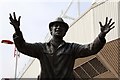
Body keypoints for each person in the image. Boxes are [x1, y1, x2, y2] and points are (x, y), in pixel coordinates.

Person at [9, 12, 115, 80]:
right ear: (51, 30)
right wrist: (17, 31)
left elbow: (91, 48)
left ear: (65, 32)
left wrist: (101, 35)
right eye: (56, 26)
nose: (58, 28)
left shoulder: (72, 48)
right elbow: (22, 47)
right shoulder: (41, 48)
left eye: (61, 27)